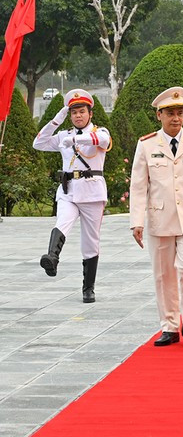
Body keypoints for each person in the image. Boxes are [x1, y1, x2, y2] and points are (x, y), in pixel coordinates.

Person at [129, 86, 183, 346]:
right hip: (160, 218)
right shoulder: (146, 145)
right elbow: (138, 185)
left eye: (180, 113)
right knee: (163, 274)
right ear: (159, 115)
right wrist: (137, 222)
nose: (176, 118)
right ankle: (169, 325)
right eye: (170, 113)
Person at [33, 89, 111, 303]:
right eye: (74, 112)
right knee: (63, 221)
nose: (78, 115)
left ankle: (88, 288)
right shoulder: (63, 135)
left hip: (92, 193)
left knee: (90, 242)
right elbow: (38, 143)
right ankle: (52, 258)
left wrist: (77, 141)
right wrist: (56, 121)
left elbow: (101, 140)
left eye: (82, 111)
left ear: (90, 113)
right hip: (68, 191)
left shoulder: (100, 131)